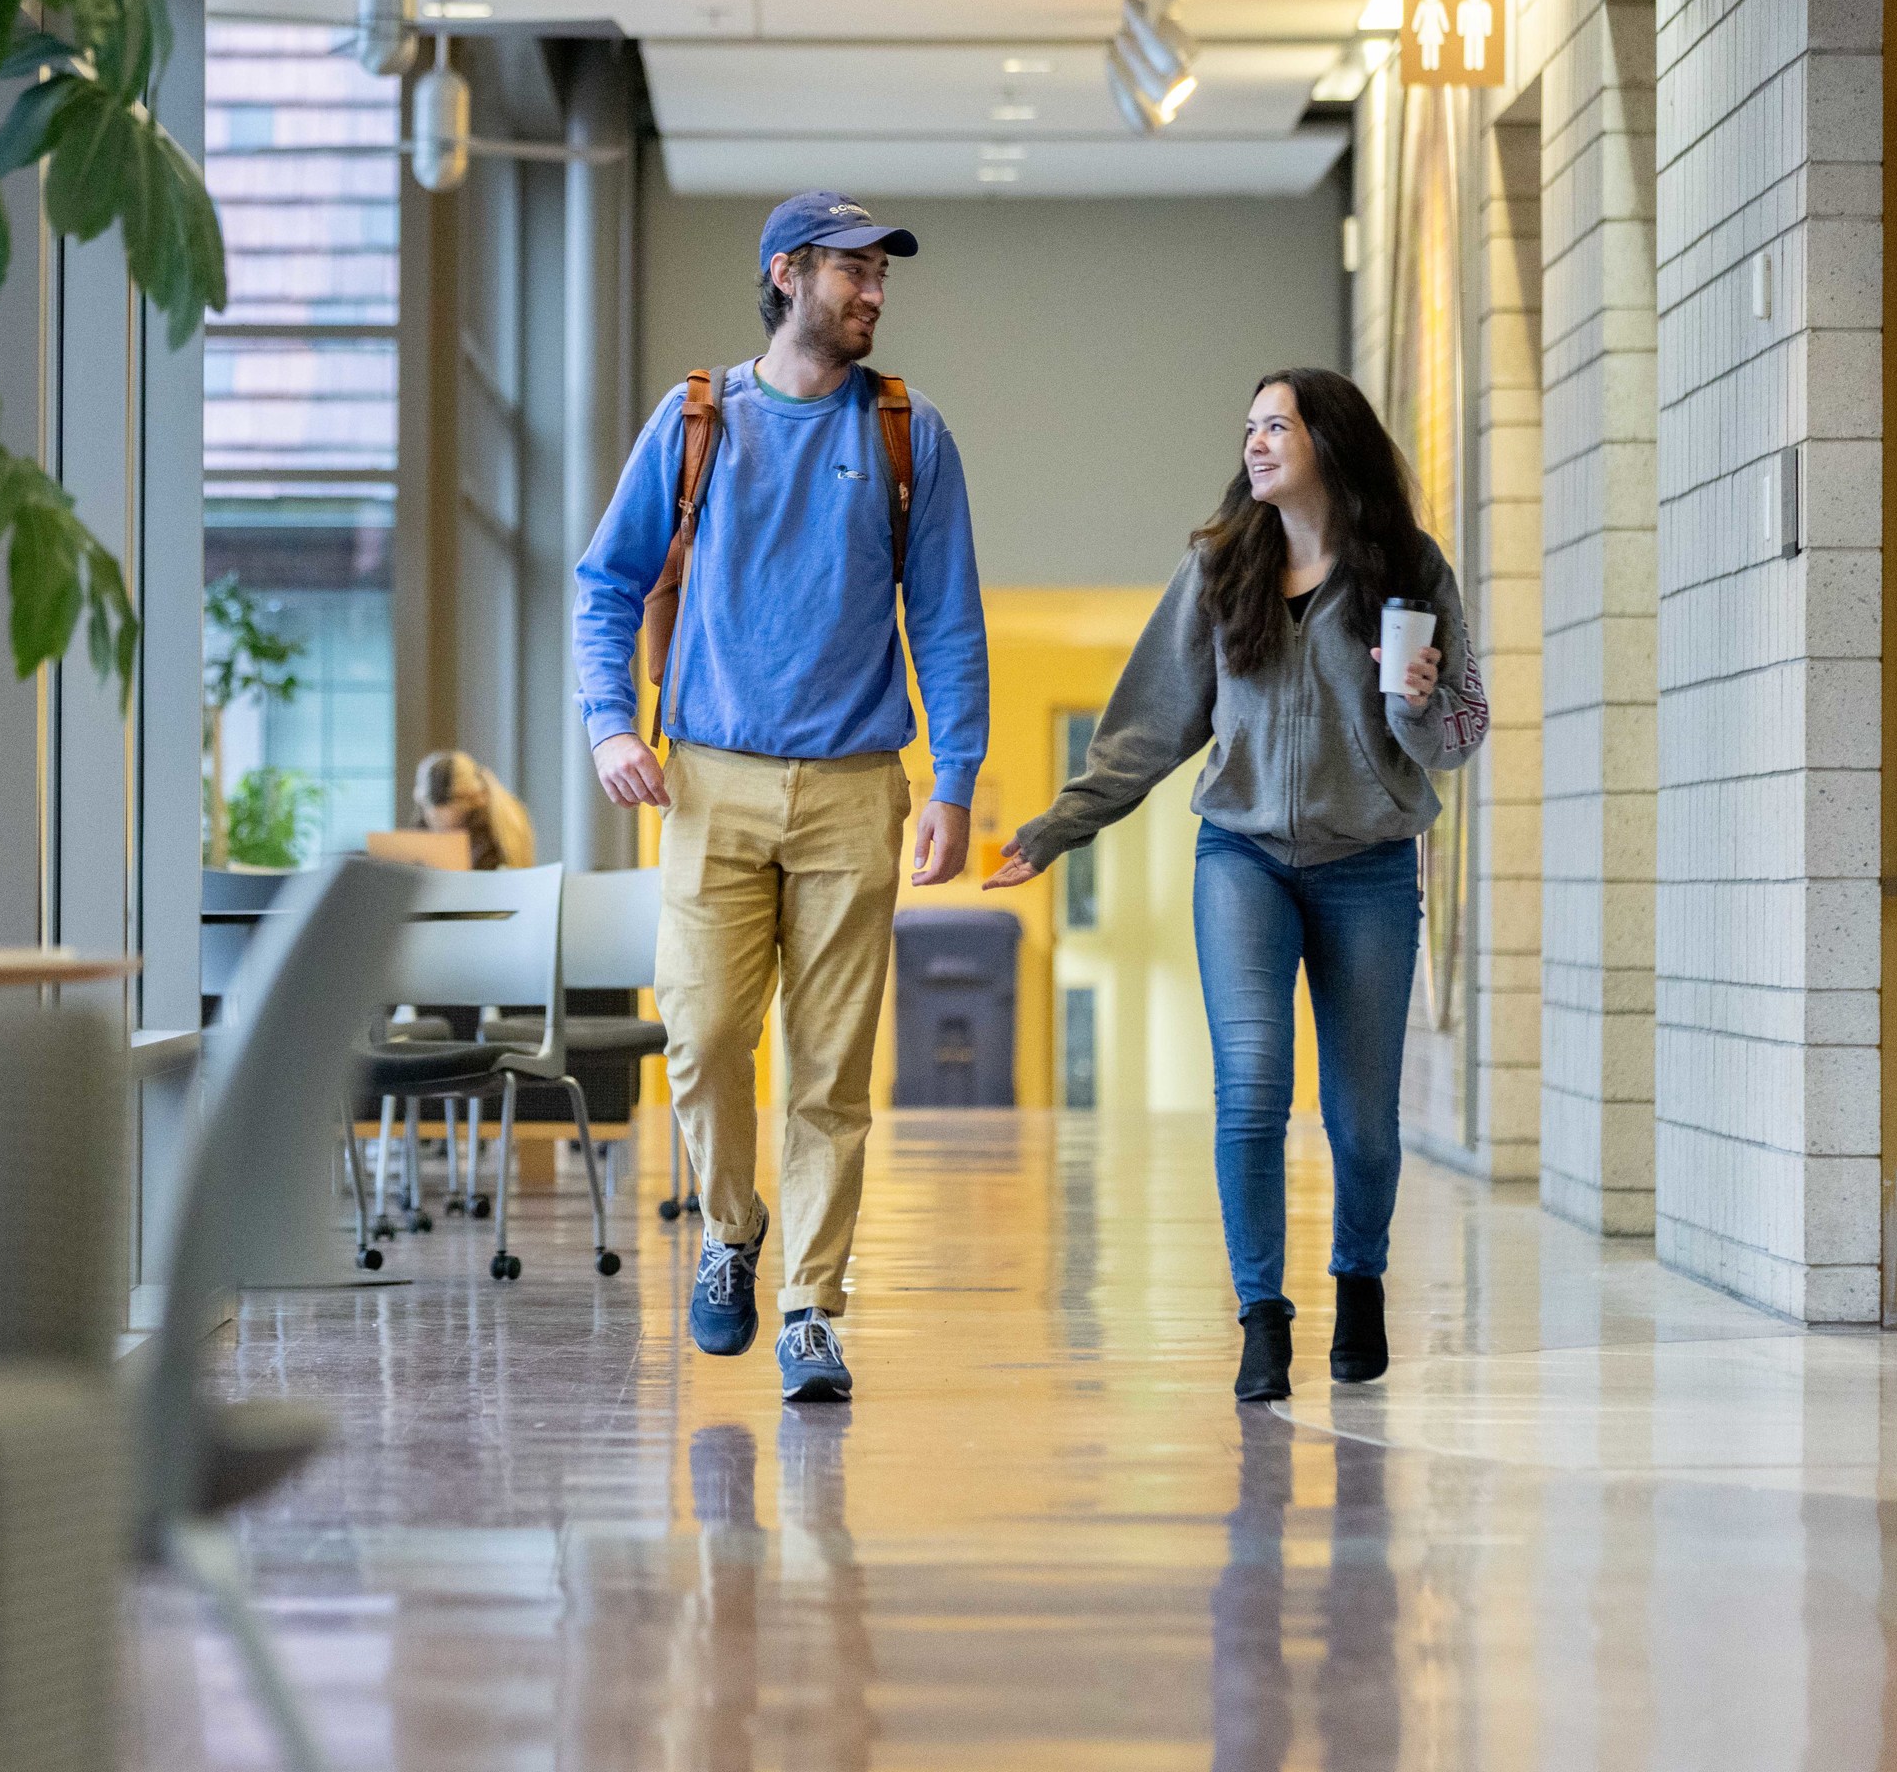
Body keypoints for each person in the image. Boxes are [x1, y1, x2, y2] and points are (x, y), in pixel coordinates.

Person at [985, 367, 1487, 1402]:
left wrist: (1413, 706)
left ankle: (1360, 1279)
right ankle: (1261, 1314)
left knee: (1363, 1120)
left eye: (1277, 426)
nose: (1254, 443)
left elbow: (1461, 733)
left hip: (1370, 865)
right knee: (1252, 1087)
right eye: (1249, 428)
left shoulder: (1409, 568)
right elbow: (1150, 723)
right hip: (1243, 858)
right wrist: (1057, 826)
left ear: (1329, 442)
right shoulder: (1220, 569)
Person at [573, 191, 988, 1404]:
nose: (872, 293)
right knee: (700, 1040)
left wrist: (952, 781)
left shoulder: (912, 431)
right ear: (786, 273)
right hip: (709, 777)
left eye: (881, 276)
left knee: (829, 1066)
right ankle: (731, 1226)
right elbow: (607, 584)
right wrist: (609, 723)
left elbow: (948, 619)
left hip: (857, 787)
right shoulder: (700, 417)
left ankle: (811, 1304)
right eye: (853, 271)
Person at [411, 750, 535, 869]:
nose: (432, 815)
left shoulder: (492, 837)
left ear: (465, 799)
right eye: (426, 806)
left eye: (435, 808)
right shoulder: (425, 825)